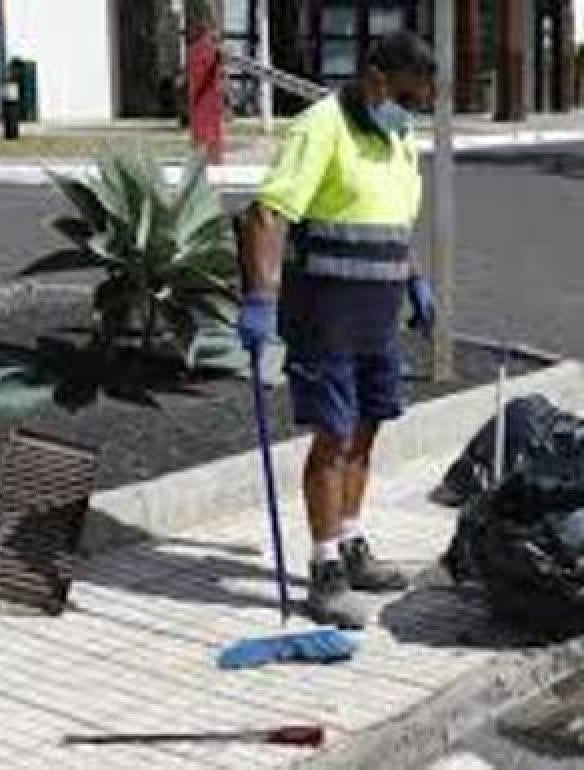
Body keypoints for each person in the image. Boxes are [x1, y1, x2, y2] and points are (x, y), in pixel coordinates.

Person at [236, 31, 438, 629]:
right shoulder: (320, 125)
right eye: (406, 97)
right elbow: (267, 213)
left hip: (379, 313)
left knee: (368, 428)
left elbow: (392, 219)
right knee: (334, 434)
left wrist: (414, 279)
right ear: (376, 78)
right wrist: (259, 300)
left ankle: (350, 542)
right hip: (324, 313)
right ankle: (324, 569)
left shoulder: (399, 136)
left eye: (419, 101)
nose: (410, 111)